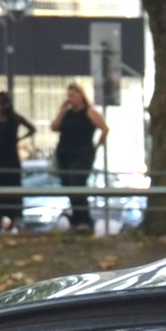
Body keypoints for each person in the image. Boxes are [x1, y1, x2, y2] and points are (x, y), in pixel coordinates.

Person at [50, 82, 108, 232]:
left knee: (77, 183)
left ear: (81, 96)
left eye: (74, 95)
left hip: (81, 153)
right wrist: (62, 110)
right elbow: (54, 127)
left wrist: (96, 146)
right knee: (68, 185)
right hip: (65, 153)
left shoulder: (89, 112)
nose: (71, 98)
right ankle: (76, 218)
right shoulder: (67, 113)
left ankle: (84, 219)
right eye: (69, 95)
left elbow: (104, 128)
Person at [0, 92, 34, 231]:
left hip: (10, 156)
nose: (0, 106)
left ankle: (15, 217)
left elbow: (32, 128)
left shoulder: (15, 117)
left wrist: (19, 139)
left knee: (14, 186)